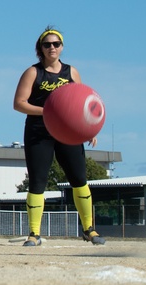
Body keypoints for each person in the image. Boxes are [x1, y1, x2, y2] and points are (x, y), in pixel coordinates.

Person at [13, 27, 105, 247]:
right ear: (41, 48)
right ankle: (34, 233)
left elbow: (83, 103)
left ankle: (89, 229)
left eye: (56, 44)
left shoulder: (72, 72)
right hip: (39, 132)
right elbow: (19, 103)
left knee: (79, 179)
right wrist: (50, 112)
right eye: (47, 44)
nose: (52, 48)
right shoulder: (33, 72)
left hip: (67, 133)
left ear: (62, 47)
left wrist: (89, 129)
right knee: (37, 182)